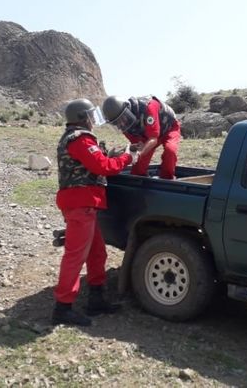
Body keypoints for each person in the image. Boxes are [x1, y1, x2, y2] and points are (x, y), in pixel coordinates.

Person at [53, 98, 138, 326]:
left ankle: (96, 299)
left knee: (97, 253)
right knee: (75, 256)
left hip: (84, 205)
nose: (93, 120)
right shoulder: (80, 139)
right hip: (81, 205)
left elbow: (96, 160)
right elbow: (102, 167)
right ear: (83, 118)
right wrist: (127, 157)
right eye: (90, 115)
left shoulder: (76, 138)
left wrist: (115, 154)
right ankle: (63, 307)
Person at [101, 95, 181, 179]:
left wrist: (139, 154)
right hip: (147, 134)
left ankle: (167, 179)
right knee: (138, 168)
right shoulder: (124, 125)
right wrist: (132, 151)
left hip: (169, 127)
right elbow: (136, 144)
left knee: (170, 150)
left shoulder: (149, 107)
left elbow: (153, 139)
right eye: (117, 122)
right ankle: (140, 184)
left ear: (128, 109)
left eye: (122, 119)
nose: (121, 124)